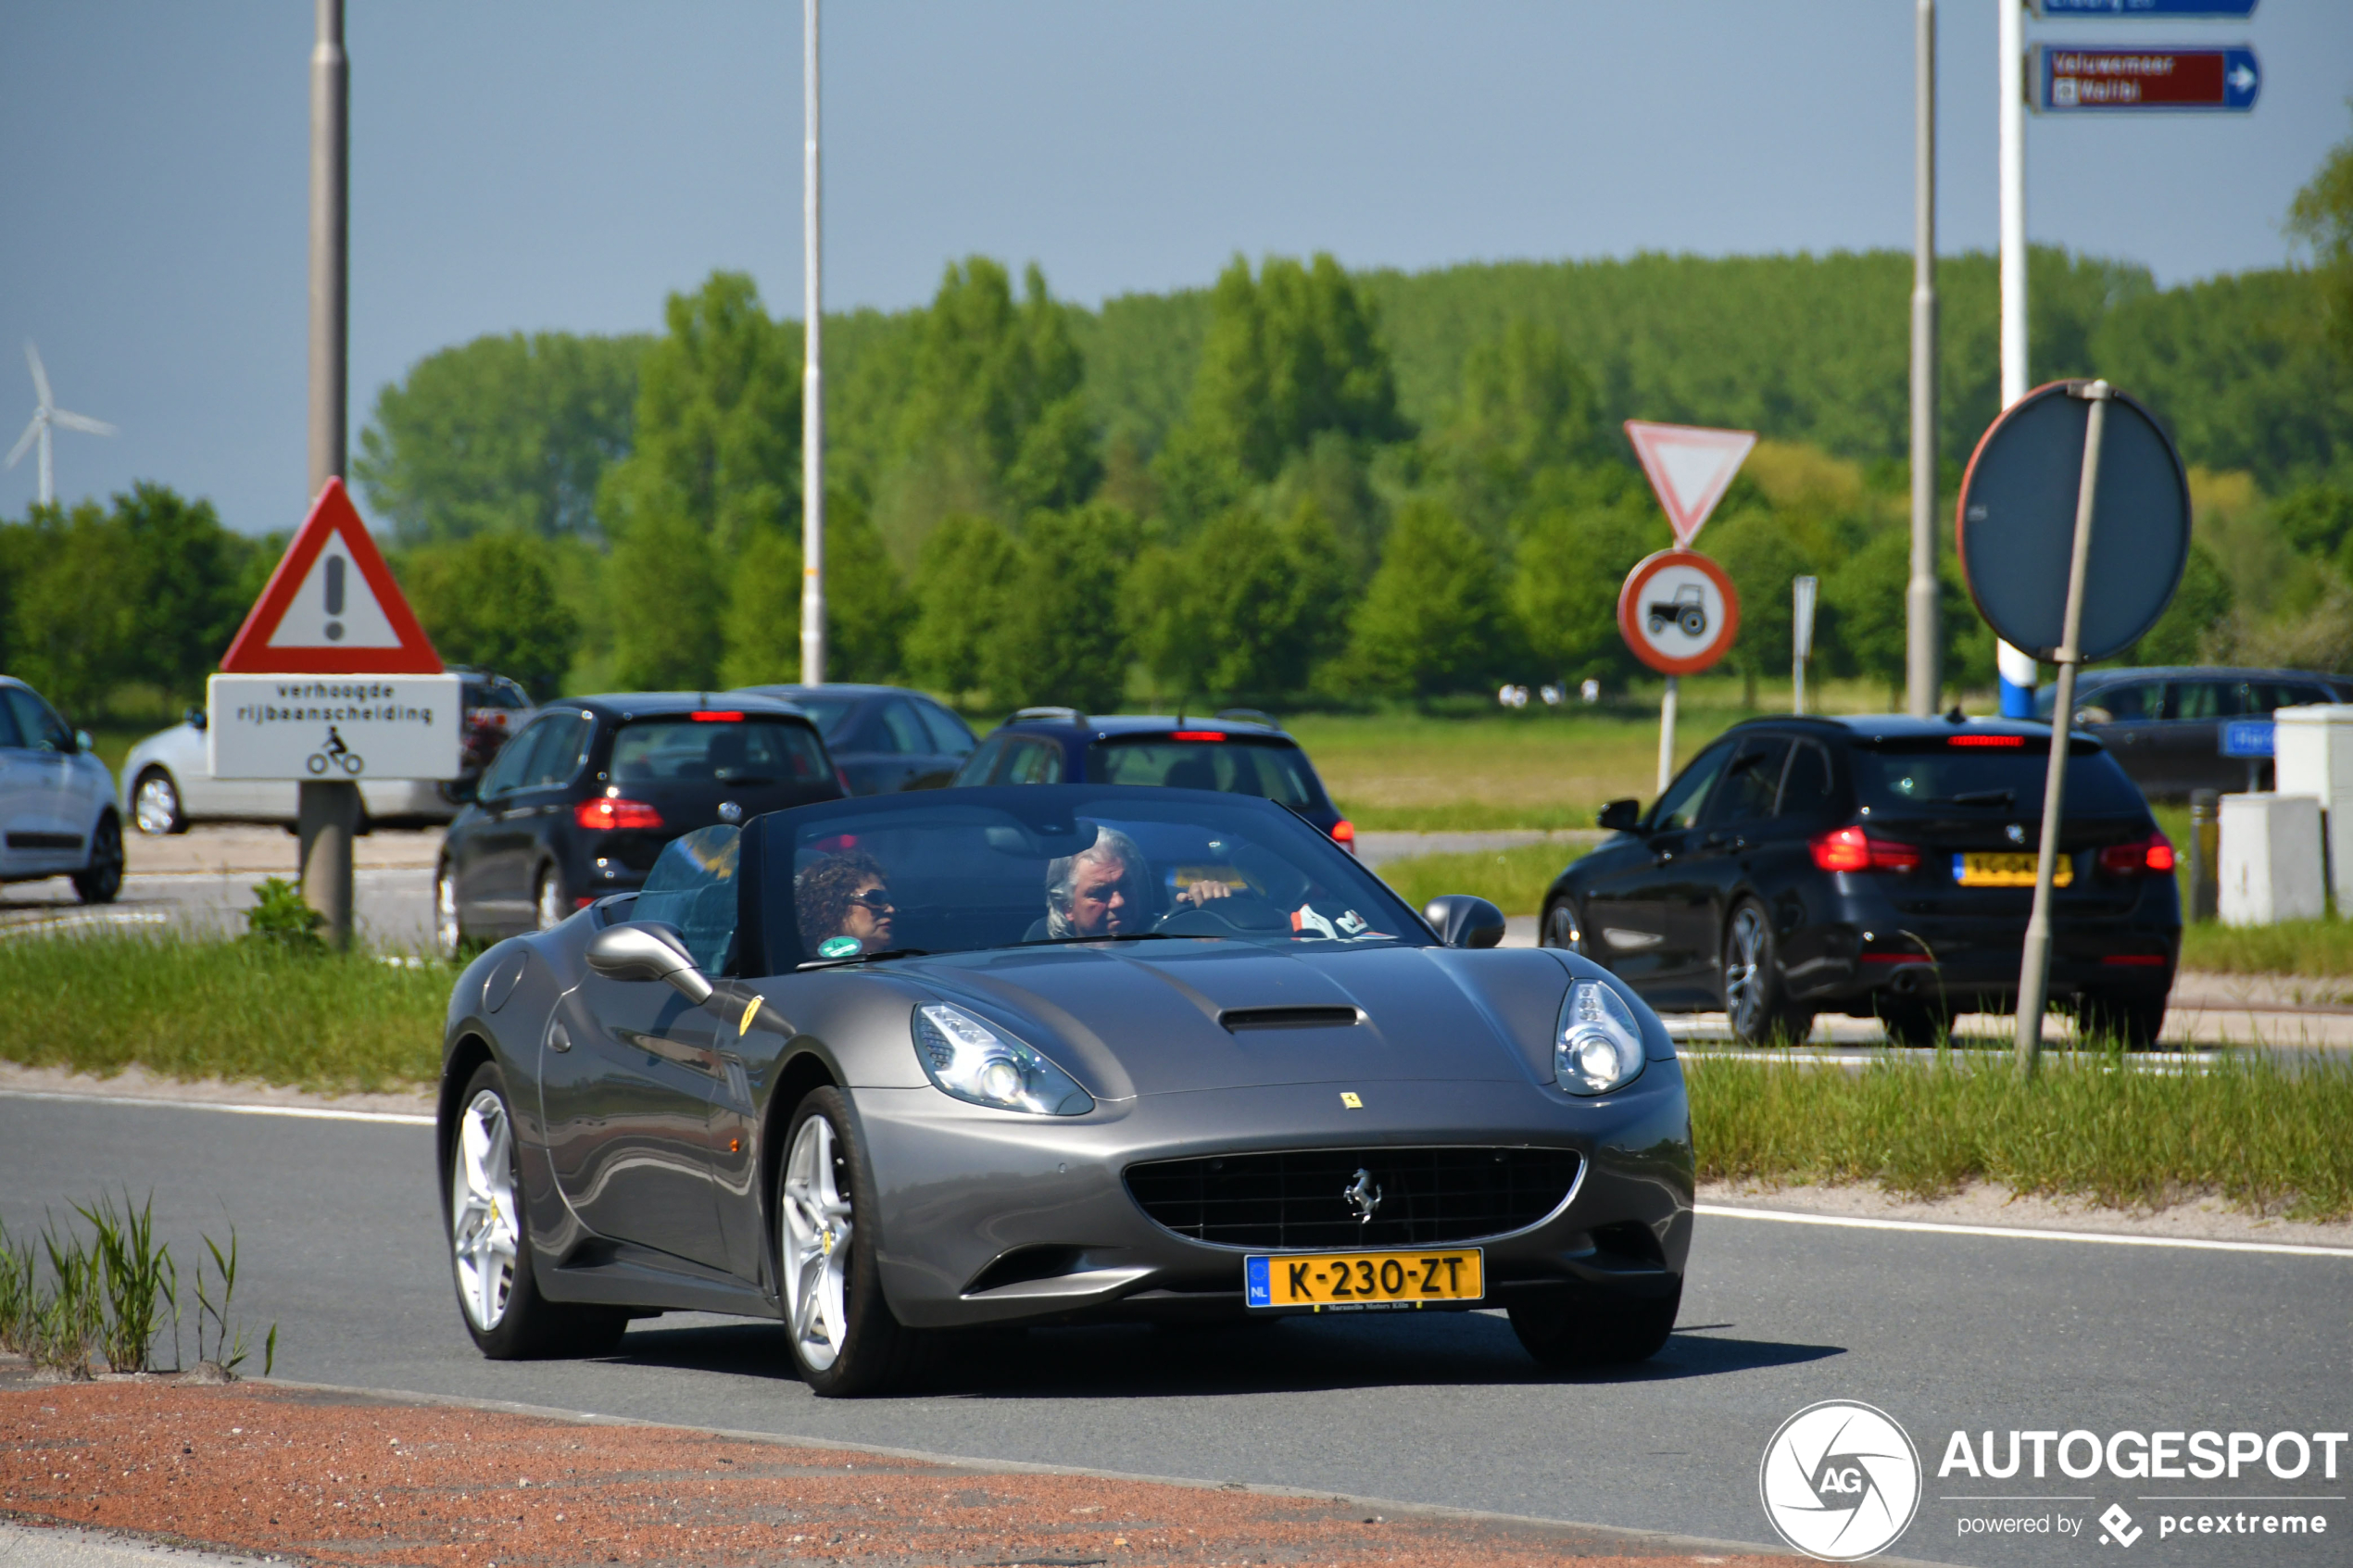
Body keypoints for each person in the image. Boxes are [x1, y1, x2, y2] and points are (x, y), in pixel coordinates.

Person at [1038, 824, 1226, 940]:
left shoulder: (1168, 942)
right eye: (1099, 893)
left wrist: (1212, 908)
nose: (1119, 902)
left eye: (1124, 886)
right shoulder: (1046, 969)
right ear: (1066, 907)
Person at [795, 848, 895, 957]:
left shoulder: (904, 963)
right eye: (875, 898)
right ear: (829, 911)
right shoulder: (805, 972)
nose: (891, 910)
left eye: (887, 900)